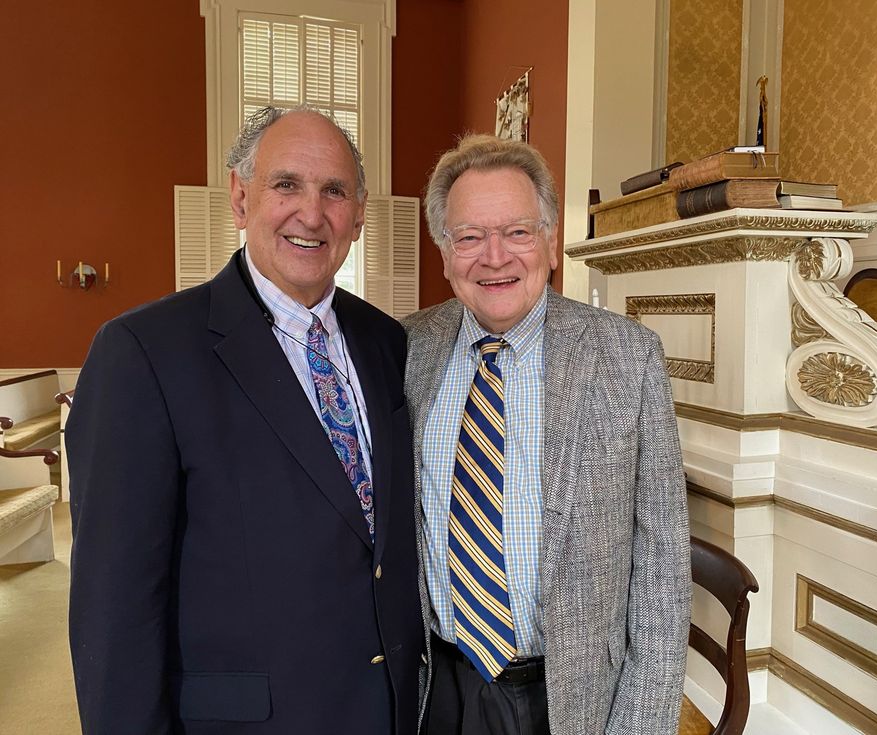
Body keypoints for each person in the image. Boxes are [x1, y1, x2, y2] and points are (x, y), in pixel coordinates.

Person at [67, 106, 422, 734]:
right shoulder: (144, 353)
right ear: (239, 196)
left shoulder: (387, 342)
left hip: (386, 712)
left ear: (360, 213)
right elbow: (114, 607)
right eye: (286, 184)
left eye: (334, 191)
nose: (311, 214)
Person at [402, 134, 691, 735]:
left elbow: (663, 563)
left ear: (552, 241)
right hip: (436, 689)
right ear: (444, 252)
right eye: (470, 236)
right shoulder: (404, 350)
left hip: (572, 697)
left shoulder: (627, 357)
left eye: (517, 231)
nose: (495, 257)